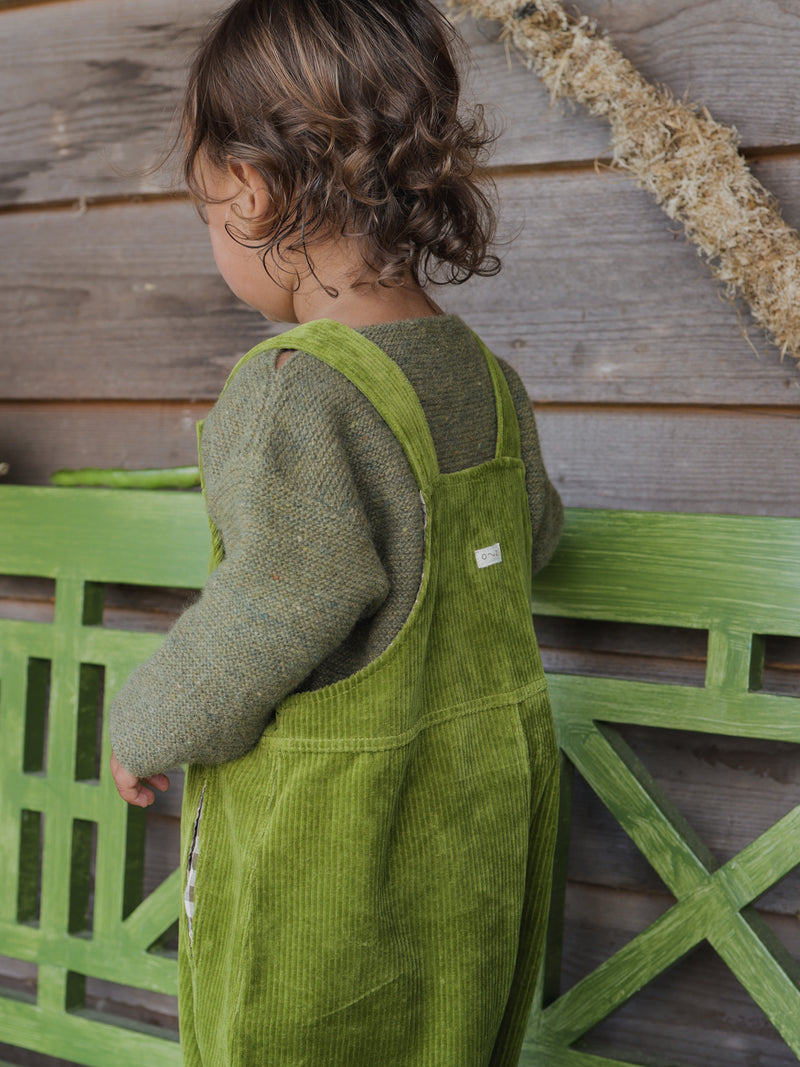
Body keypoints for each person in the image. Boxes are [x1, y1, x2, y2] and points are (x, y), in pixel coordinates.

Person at [108, 0, 564, 1063]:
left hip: (334, 860)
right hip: (477, 841)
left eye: (206, 207)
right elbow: (530, 536)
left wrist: (146, 718)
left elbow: (283, 594)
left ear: (252, 189)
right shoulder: (484, 380)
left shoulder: (290, 390)